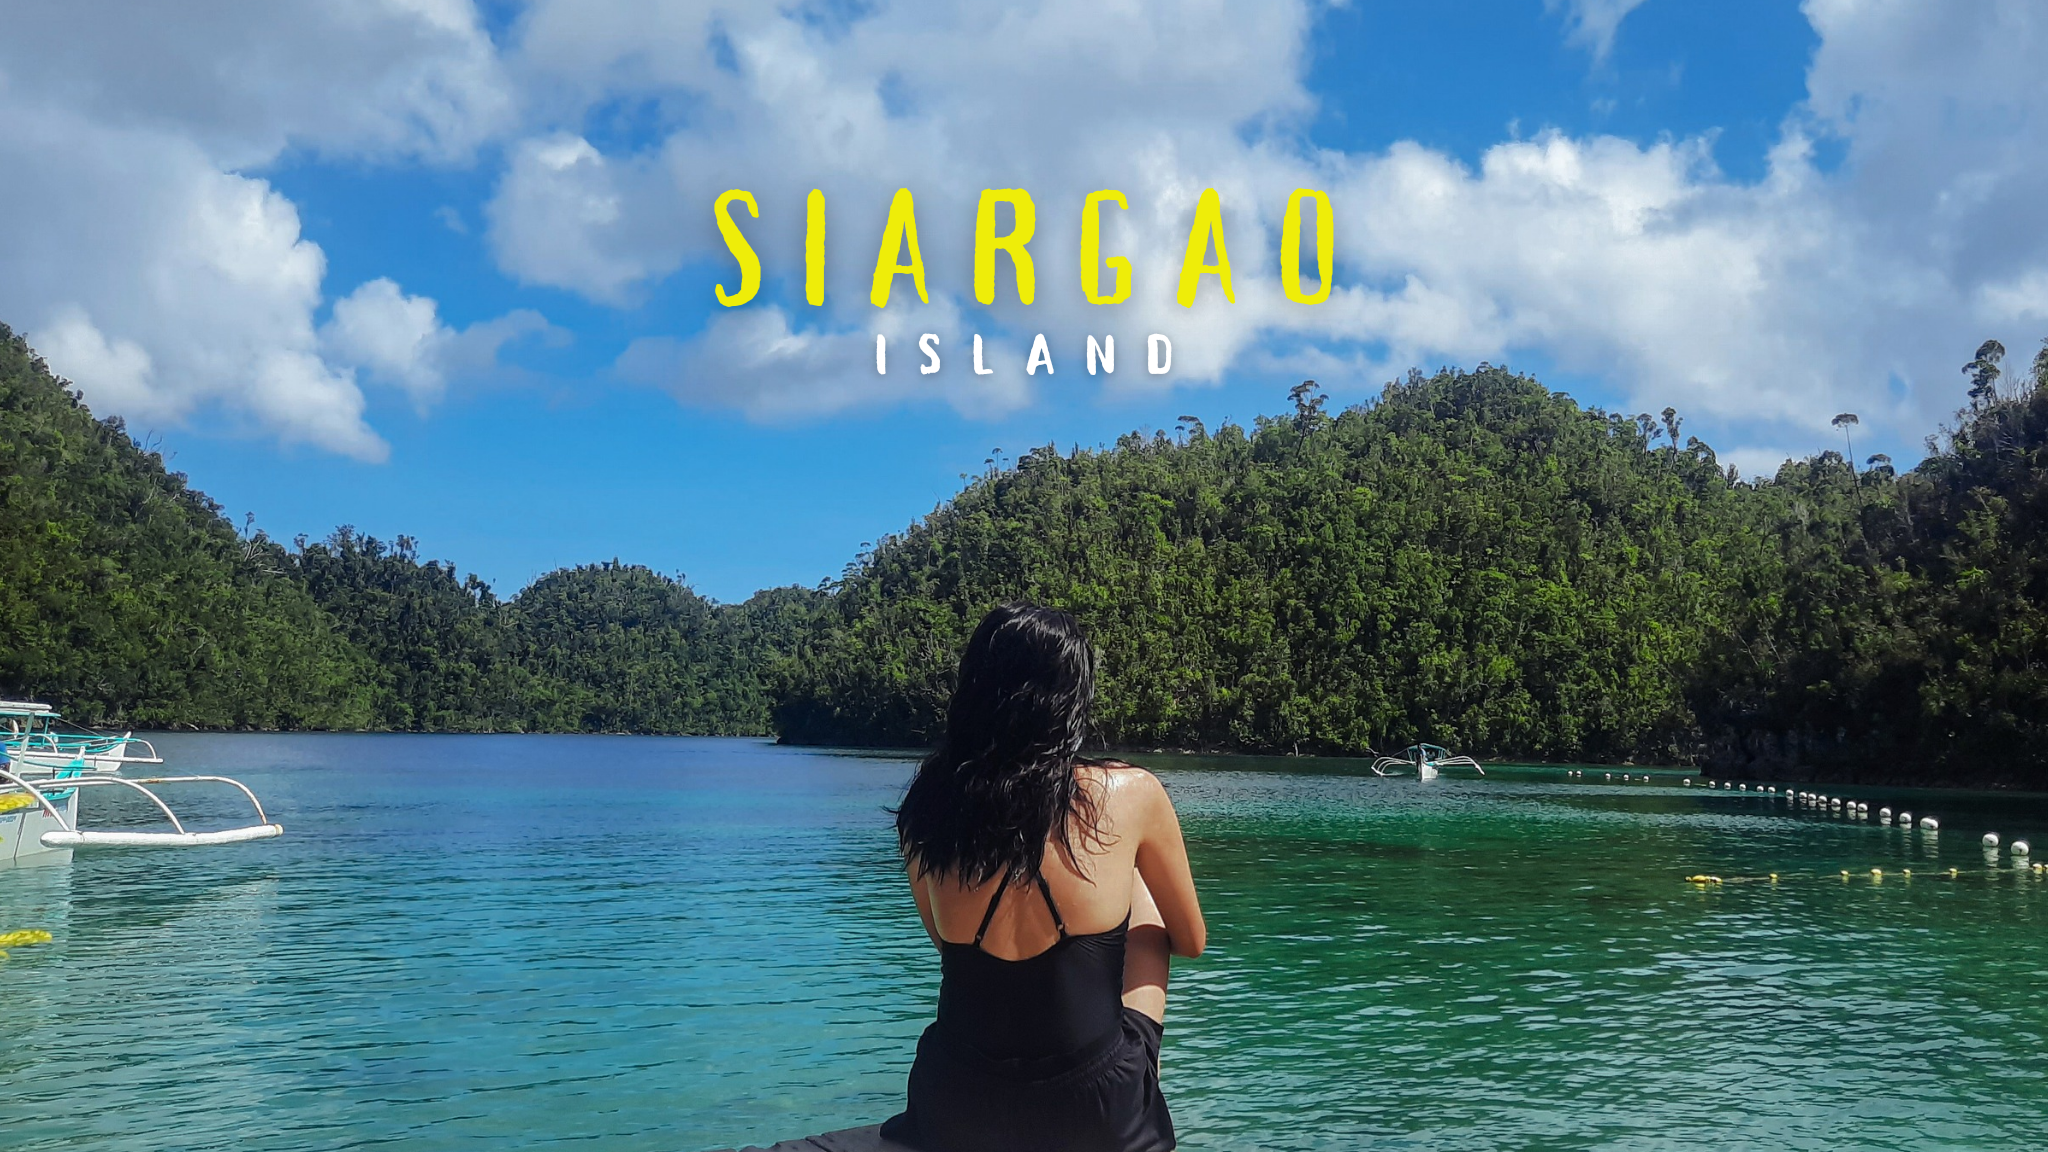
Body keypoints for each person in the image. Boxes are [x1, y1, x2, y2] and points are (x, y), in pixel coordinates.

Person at [878, 604, 1206, 1152]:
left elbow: (944, 942)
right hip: (1097, 1108)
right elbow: (1191, 941)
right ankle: (1135, 1081)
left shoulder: (926, 807)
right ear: (1071, 698)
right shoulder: (1129, 794)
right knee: (1139, 888)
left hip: (955, 1101)